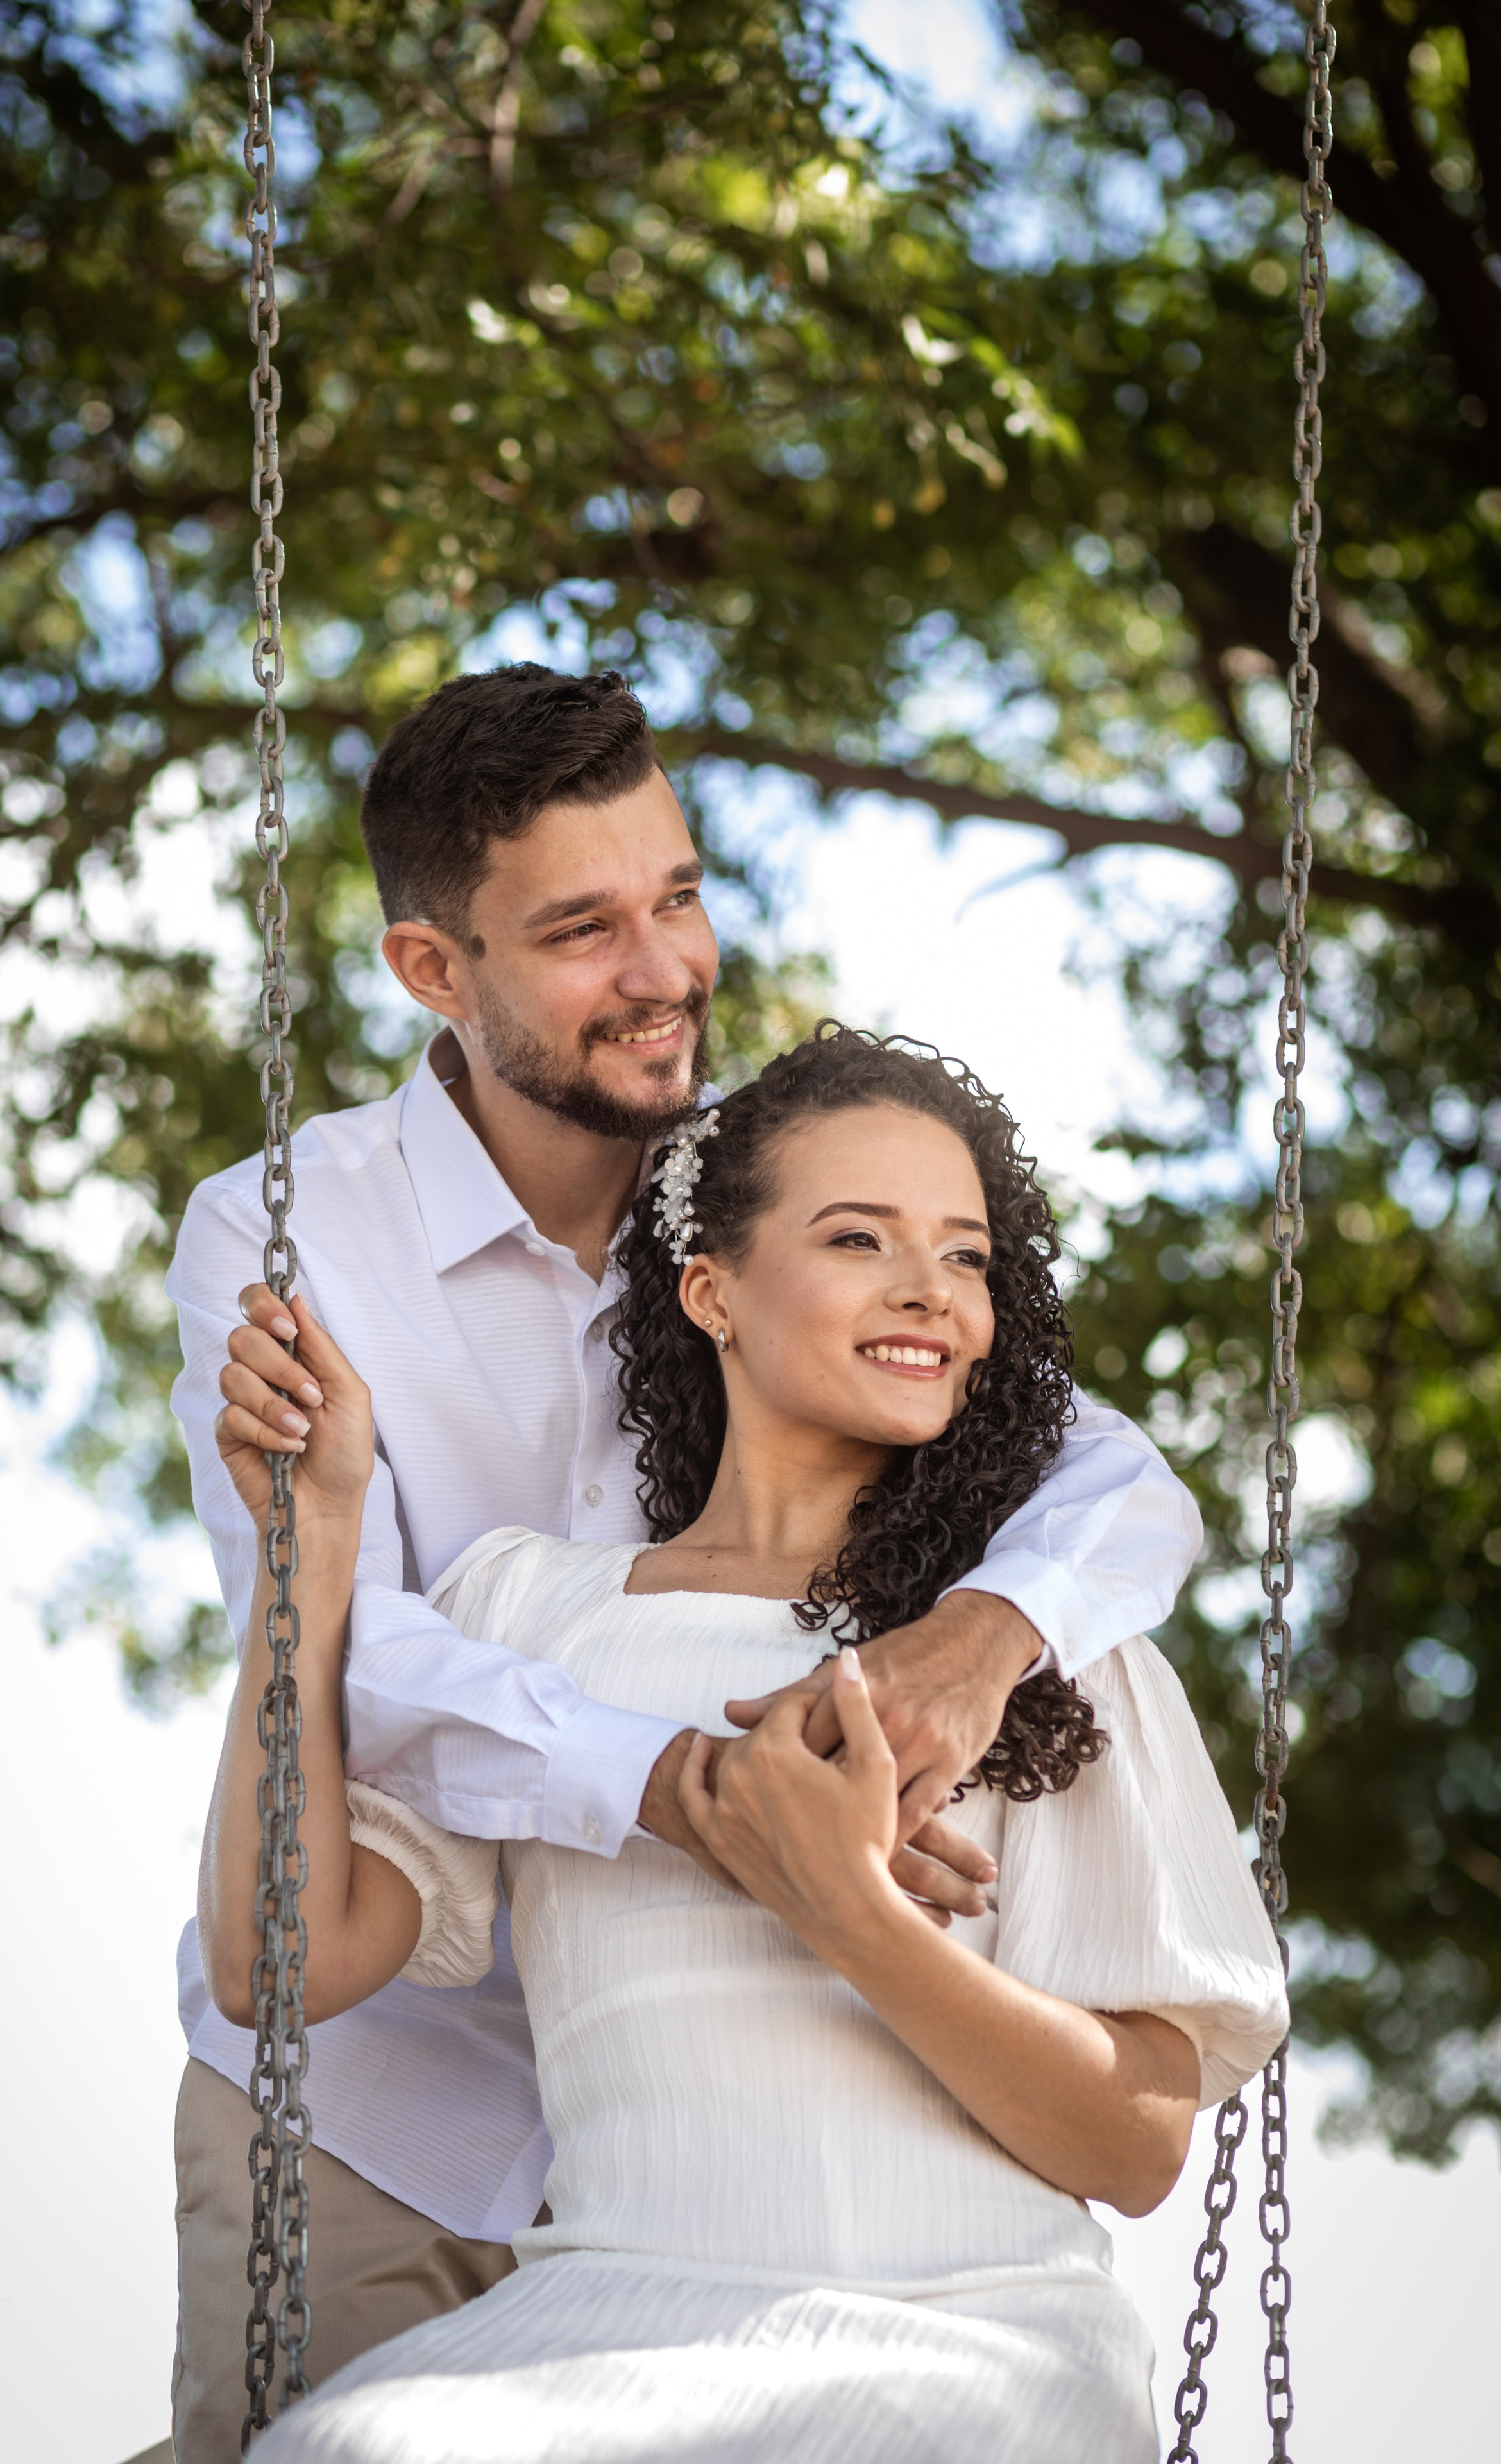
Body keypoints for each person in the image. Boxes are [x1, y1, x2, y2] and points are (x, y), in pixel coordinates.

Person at [166, 665, 1205, 2455]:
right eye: (582, 929)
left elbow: (1104, 1468)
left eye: (681, 896)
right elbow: (360, 1651)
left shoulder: (764, 1187)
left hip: (792, 2155)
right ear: (434, 969)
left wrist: (981, 1635)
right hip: (393, 2084)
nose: (663, 972)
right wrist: (683, 1780)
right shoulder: (295, 1229)